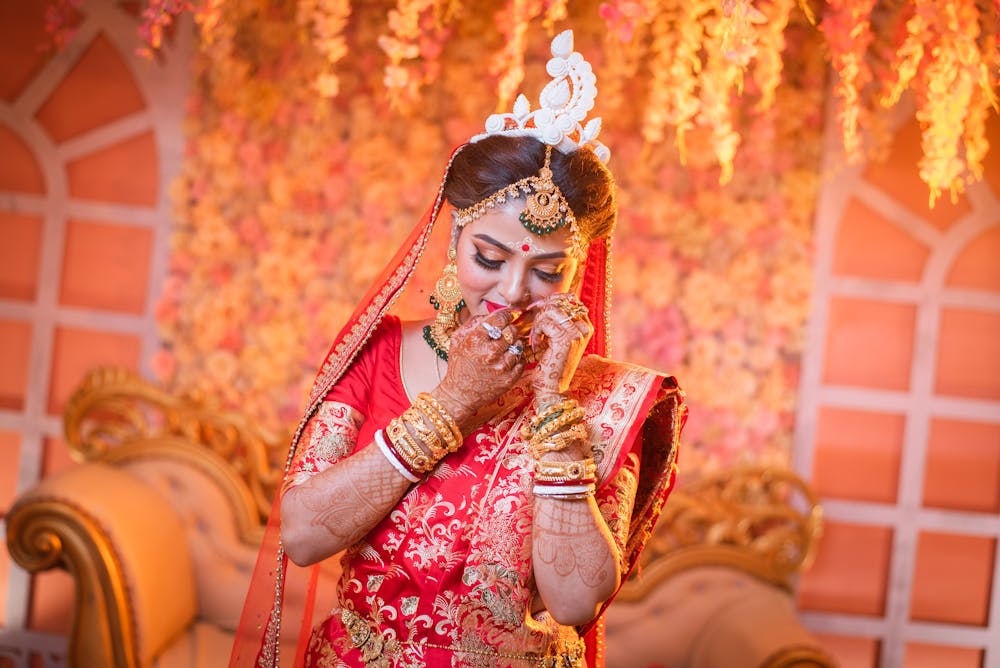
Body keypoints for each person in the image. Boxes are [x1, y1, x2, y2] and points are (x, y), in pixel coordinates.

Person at [232, 29, 686, 668]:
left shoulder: (608, 398)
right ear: (454, 240)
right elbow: (303, 537)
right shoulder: (380, 351)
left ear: (579, 269)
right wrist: (451, 404)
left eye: (548, 271)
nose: (513, 290)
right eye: (489, 257)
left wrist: (555, 404)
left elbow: (576, 604)